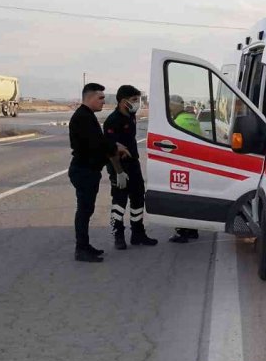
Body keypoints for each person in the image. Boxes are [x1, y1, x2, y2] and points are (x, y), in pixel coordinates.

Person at [69, 83, 130, 262]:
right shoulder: (83, 117)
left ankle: (85, 245)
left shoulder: (87, 115)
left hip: (88, 170)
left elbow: (99, 141)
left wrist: (114, 146)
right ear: (89, 98)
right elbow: (96, 144)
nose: (104, 101)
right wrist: (115, 147)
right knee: (84, 210)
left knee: (86, 210)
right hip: (84, 170)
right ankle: (81, 249)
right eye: (101, 98)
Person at [104, 85, 157, 250]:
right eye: (134, 100)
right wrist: (119, 172)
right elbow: (110, 149)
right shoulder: (113, 120)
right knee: (119, 202)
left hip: (133, 163)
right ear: (123, 101)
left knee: (138, 198)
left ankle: (138, 233)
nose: (137, 103)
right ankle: (118, 235)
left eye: (138, 99)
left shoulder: (131, 116)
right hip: (119, 166)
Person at [168, 94, 200, 244]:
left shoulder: (177, 122)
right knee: (192, 199)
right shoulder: (193, 119)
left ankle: (182, 232)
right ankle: (193, 230)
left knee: (179, 199)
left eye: (170, 106)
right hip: (195, 164)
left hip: (181, 164)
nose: (169, 109)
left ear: (174, 106)